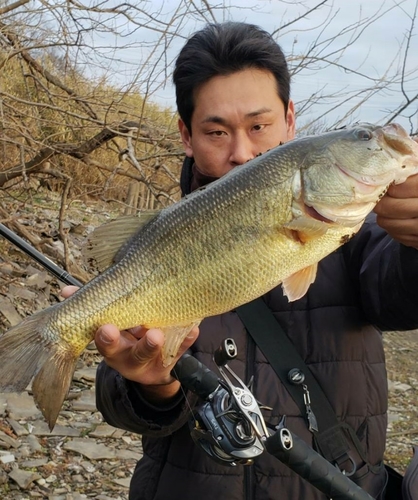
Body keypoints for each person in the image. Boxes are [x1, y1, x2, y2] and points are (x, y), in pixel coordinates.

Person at [64, 22, 418, 500]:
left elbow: (403, 296)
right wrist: (154, 388)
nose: (242, 152)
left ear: (290, 120)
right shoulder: (158, 242)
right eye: (216, 131)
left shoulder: (358, 235)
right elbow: (117, 400)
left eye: (259, 125)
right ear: (186, 135)